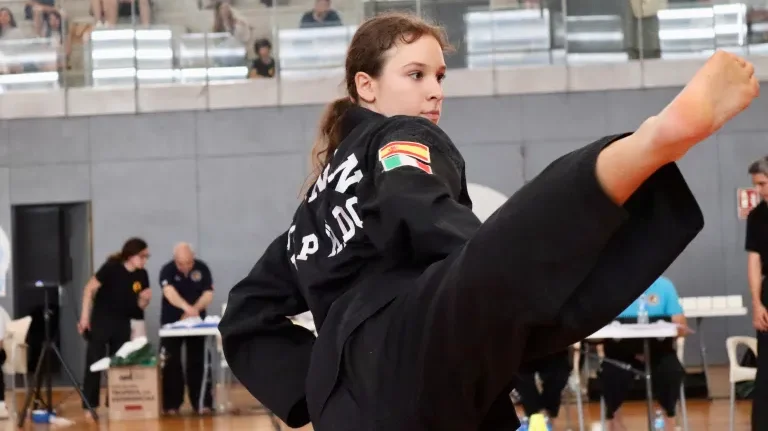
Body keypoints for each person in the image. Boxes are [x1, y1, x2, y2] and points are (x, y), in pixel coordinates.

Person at [218, 11, 758, 431]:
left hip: (352, 406)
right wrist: (498, 289)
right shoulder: (399, 136)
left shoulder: (310, 213)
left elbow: (244, 315)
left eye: (439, 75)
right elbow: (416, 204)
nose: (435, 90)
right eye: (415, 74)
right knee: (505, 252)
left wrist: (315, 388)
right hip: (415, 336)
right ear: (366, 86)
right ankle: (651, 144)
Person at [598, 276, 690, 431]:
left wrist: (674, 324)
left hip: (659, 353)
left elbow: (681, 326)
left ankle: (669, 418)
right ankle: (614, 419)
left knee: (672, 371)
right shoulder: (609, 287)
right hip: (620, 354)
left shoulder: (664, 286)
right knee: (610, 374)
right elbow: (596, 327)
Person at [78, 238, 152, 421]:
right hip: (102, 320)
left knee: (119, 363)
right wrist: (84, 317)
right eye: (142, 256)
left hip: (123, 322)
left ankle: (116, 401)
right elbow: (88, 289)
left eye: (147, 256)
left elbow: (139, 307)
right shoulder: (111, 268)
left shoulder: (142, 275)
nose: (145, 260)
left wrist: (144, 300)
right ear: (131, 255)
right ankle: (90, 404)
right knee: (94, 362)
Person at [158, 242, 214, 415]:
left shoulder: (202, 268)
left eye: (189, 262)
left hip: (197, 322)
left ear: (193, 257)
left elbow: (208, 293)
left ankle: (202, 402)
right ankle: (172, 404)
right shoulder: (167, 270)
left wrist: (195, 310)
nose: (186, 267)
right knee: (171, 363)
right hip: (172, 322)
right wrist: (186, 308)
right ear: (175, 260)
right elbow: (169, 292)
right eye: (181, 264)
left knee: (198, 361)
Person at [746, 155, 768, 430]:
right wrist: (756, 303)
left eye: (763, 183)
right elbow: (754, 260)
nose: (760, 190)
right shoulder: (757, 216)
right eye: (757, 185)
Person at [514, 349, 571, 430]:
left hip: (551, 351)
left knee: (560, 371)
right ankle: (537, 415)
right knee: (516, 372)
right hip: (522, 353)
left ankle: (544, 415)